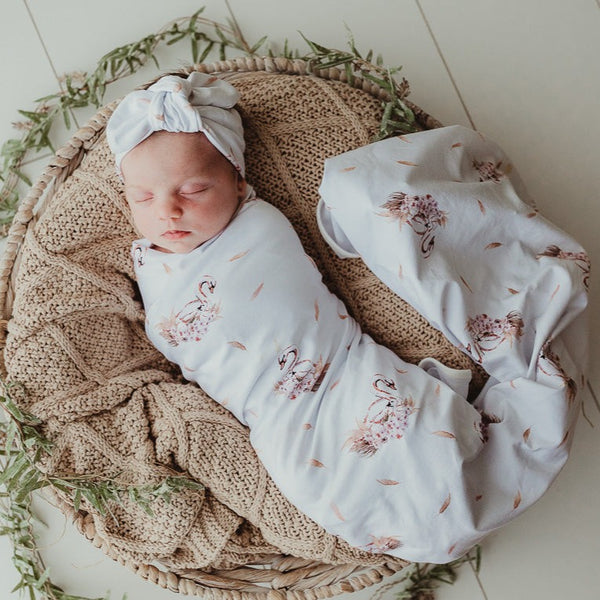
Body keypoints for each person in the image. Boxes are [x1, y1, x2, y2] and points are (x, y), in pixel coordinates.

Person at [106, 72, 589, 563]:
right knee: (333, 485)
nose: (167, 211)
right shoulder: (148, 267)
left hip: (341, 373)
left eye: (193, 189)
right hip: (278, 426)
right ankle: (430, 512)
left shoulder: (257, 226)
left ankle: (453, 480)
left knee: (410, 446)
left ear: (238, 180)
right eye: (143, 198)